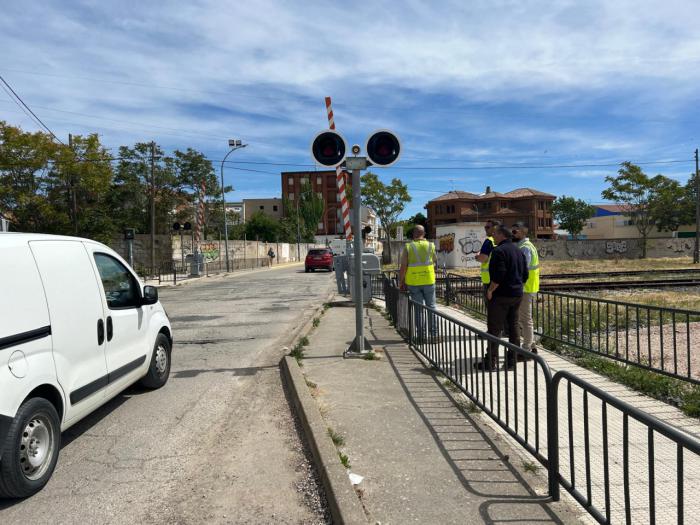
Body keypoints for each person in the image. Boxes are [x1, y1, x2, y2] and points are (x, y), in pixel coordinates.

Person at [477, 225, 528, 371]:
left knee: (494, 328)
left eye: (495, 234)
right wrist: (517, 287)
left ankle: (490, 362)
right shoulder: (518, 250)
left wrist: (491, 290)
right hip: (517, 294)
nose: (493, 236)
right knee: (513, 327)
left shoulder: (498, 251)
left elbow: (499, 275)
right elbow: (525, 274)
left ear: (501, 235)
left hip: (500, 296)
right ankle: (511, 361)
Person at [399, 224, 438, 341]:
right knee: (431, 307)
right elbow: (435, 263)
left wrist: (401, 282)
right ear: (424, 234)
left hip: (414, 282)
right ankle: (434, 335)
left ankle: (421, 336)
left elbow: (403, 267)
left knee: (419, 309)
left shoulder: (408, 247)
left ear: (414, 234)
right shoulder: (431, 245)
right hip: (429, 280)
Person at [512, 222, 540, 354]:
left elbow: (522, 270)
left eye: (515, 231)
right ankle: (532, 345)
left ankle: (526, 350)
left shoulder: (525, 248)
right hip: (527, 287)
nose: (513, 234)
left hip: (525, 288)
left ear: (522, 232)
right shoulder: (525, 246)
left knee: (525, 319)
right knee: (524, 318)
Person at [475, 220, 501, 306]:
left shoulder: (489, 241)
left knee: (491, 308)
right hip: (501, 279)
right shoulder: (503, 241)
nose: (485, 229)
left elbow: (483, 259)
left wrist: (477, 256)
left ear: (495, 228)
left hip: (489, 280)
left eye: (487, 227)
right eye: (485, 227)